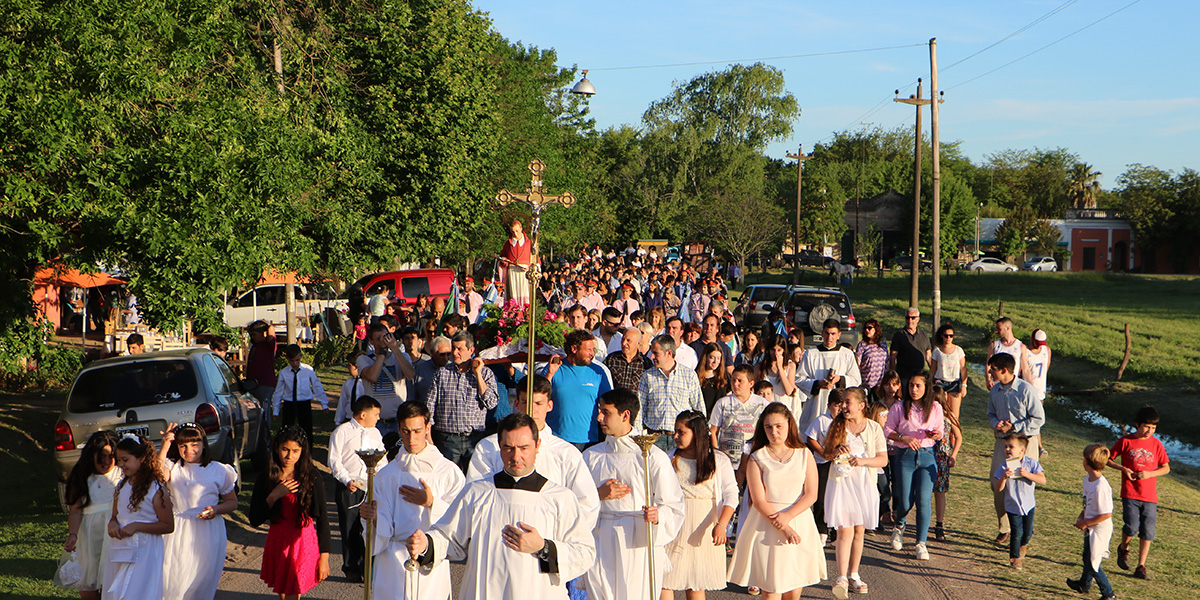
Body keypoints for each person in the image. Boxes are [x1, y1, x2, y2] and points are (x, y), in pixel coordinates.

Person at [406, 413, 598, 599]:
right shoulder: (476, 493)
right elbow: (450, 538)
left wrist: (543, 547)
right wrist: (426, 544)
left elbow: (584, 552)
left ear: (537, 445)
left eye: (524, 448)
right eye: (508, 448)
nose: (516, 456)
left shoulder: (559, 498)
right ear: (499, 447)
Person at [583, 389, 685, 600]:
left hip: (637, 540)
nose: (599, 417)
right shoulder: (591, 456)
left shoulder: (652, 457)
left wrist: (658, 516)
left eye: (605, 412)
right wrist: (597, 494)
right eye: (599, 411)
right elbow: (573, 501)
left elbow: (673, 503)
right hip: (600, 537)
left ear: (625, 415)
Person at [359, 401, 465, 600]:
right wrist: (372, 517)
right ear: (399, 429)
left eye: (417, 431)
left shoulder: (448, 472)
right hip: (393, 560)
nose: (411, 438)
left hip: (430, 562)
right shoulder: (385, 476)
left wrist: (432, 502)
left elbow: (461, 519)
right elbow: (378, 527)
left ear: (427, 427)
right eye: (406, 431)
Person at [727, 402, 826, 599]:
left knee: (793, 590)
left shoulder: (804, 454)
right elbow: (758, 499)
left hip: (799, 520)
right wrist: (784, 526)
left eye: (779, 426)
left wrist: (788, 517)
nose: (774, 431)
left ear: (789, 425)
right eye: (768, 427)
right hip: (767, 524)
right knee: (771, 589)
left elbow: (811, 494)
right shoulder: (757, 457)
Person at [662, 410, 738, 599]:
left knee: (696, 583)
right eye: (675, 431)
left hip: (704, 524)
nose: (676, 436)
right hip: (674, 522)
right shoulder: (668, 458)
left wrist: (722, 525)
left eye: (681, 432)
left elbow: (731, 494)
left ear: (696, 433)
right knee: (663, 580)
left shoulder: (718, 460)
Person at [156, 423, 237, 600]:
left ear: (203, 444)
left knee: (202, 579)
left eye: (194, 444)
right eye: (183, 445)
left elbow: (232, 502)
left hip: (208, 531)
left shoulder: (218, 470)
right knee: (175, 578)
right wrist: (165, 446)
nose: (189, 450)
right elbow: (156, 475)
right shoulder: (173, 468)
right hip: (177, 531)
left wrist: (217, 509)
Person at [249, 427, 332, 598]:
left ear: (303, 451)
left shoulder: (312, 477)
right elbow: (255, 518)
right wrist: (273, 496)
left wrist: (324, 557)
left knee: (294, 589)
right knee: (283, 591)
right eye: (285, 450)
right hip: (277, 541)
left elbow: (323, 518)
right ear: (277, 448)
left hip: (302, 541)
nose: (289, 456)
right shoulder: (266, 478)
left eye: (295, 451)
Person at [821, 388, 888, 598]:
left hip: (864, 484)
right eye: (842, 403)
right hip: (842, 483)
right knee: (845, 530)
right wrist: (836, 452)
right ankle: (841, 576)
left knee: (859, 530)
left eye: (848, 402)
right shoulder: (837, 425)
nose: (844, 407)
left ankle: (854, 574)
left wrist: (863, 461)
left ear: (861, 405)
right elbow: (826, 453)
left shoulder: (874, 428)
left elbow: (883, 459)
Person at [104, 433, 174, 600]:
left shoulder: (156, 490)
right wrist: (112, 523)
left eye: (125, 460)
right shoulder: (121, 487)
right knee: (118, 592)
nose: (121, 464)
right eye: (119, 460)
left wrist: (137, 526)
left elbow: (168, 525)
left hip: (145, 550)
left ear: (141, 458)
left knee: (136, 592)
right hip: (121, 547)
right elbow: (115, 515)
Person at [986, 352, 1044, 546]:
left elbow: (1038, 419)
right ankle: (1005, 528)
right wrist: (996, 424)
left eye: (993, 369)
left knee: (1023, 485)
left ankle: (1023, 533)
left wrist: (1015, 427)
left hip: (1026, 443)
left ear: (1004, 370)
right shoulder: (994, 391)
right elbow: (990, 414)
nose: (989, 372)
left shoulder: (1026, 390)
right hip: (1003, 443)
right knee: (998, 484)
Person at [883, 372, 943, 560]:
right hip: (905, 456)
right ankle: (899, 525)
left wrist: (934, 434)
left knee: (924, 500)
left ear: (926, 388)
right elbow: (887, 430)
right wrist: (903, 437)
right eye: (911, 385)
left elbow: (940, 431)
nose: (914, 389)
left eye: (918, 386)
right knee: (906, 500)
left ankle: (921, 543)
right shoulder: (899, 407)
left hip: (927, 455)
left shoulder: (935, 407)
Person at [327, 396, 386, 583]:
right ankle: (351, 567)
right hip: (349, 488)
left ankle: (367, 567)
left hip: (370, 487)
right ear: (363, 414)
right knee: (350, 527)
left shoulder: (375, 433)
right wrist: (346, 480)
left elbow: (382, 457)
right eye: (375, 414)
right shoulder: (342, 432)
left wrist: (380, 472)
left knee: (368, 528)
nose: (378, 418)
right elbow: (334, 460)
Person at [1108, 405, 1170, 579]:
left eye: (1153, 428)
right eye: (1146, 427)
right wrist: (1123, 468)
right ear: (1137, 424)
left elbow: (1166, 468)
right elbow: (1108, 459)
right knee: (1131, 527)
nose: (1149, 431)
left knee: (1148, 532)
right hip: (1130, 493)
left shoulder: (1156, 444)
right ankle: (1123, 548)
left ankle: (1141, 566)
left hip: (1150, 496)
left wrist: (1150, 473)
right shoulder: (1126, 441)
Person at [426, 331, 499, 471]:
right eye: (453, 348)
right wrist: (429, 438)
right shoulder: (442, 373)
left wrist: (477, 374)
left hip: (474, 439)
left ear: (471, 350)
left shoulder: (485, 373)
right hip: (447, 440)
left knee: (475, 480)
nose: (455, 352)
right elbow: (429, 407)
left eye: (459, 349)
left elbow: (491, 403)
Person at [61, 431, 121, 600]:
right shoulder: (82, 476)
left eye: (111, 456)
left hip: (115, 533)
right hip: (89, 536)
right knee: (88, 580)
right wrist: (73, 534)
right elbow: (75, 510)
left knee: (113, 579)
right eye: (102, 456)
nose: (106, 462)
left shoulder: (121, 475)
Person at [544, 329, 614, 450]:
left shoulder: (598, 372)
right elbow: (539, 395)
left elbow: (609, 402)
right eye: (588, 350)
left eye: (593, 350)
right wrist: (550, 374)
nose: (592, 354)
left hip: (589, 440)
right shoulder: (554, 368)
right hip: (557, 439)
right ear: (574, 349)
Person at [1066, 444, 1117, 600]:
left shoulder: (1101, 487)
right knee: (1087, 556)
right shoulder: (1088, 480)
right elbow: (1087, 503)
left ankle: (1108, 594)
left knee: (1094, 562)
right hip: (1090, 525)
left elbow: (1106, 513)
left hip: (1100, 528)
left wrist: (1087, 523)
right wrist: (1082, 516)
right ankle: (1084, 584)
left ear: (1087, 461)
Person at [638, 335, 704, 452]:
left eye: (656, 353)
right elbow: (640, 408)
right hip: (654, 438)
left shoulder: (689, 375)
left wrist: (701, 436)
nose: (652, 357)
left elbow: (698, 407)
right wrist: (640, 436)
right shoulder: (647, 376)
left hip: (681, 438)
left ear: (669, 353)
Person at [796, 319, 863, 433]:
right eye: (827, 333)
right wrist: (816, 384)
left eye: (833, 334)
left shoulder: (846, 354)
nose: (829, 337)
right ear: (822, 333)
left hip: (839, 404)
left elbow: (856, 380)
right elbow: (799, 379)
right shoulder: (811, 353)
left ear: (839, 335)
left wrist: (840, 379)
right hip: (816, 403)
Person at [991, 434, 1046, 569]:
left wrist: (1027, 474)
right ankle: (1015, 559)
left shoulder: (1031, 463)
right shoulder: (1004, 466)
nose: (1008, 450)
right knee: (1016, 533)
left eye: (1011, 447)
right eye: (1006, 447)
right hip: (1012, 505)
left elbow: (1042, 480)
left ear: (1022, 450)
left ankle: (1023, 545)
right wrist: (1004, 477)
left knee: (1028, 532)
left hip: (1029, 505)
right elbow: (998, 488)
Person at [803, 390, 846, 546]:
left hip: (841, 465)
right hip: (822, 463)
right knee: (821, 497)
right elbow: (811, 438)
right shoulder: (822, 420)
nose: (840, 409)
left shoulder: (847, 422)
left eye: (843, 405)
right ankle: (821, 529)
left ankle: (836, 531)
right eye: (836, 405)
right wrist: (823, 452)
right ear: (829, 406)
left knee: (837, 497)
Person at [359, 323, 417, 437]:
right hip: (375, 422)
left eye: (385, 337)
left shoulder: (402, 356)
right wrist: (382, 353)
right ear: (371, 341)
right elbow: (372, 377)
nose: (383, 341)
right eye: (378, 339)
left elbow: (411, 375)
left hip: (398, 420)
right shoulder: (364, 359)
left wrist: (395, 349)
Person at [708, 365, 770, 473]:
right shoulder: (723, 403)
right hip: (728, 462)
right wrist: (716, 454)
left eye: (740, 381)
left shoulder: (762, 404)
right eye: (733, 380)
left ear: (751, 383)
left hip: (755, 460)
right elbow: (713, 431)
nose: (735, 384)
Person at [271, 344, 329, 444]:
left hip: (304, 403)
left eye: (297, 360)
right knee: (287, 430)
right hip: (289, 403)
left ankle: (307, 454)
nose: (294, 363)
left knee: (306, 430)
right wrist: (276, 410)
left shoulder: (308, 370)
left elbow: (317, 386)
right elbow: (278, 392)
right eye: (292, 361)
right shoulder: (283, 373)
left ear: (301, 356)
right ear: (287, 359)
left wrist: (324, 404)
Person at [930, 387, 963, 542]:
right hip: (928, 454)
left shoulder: (948, 416)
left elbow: (959, 436)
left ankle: (939, 523)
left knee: (940, 491)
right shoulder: (925, 415)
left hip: (942, 457)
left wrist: (953, 455)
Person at [245, 320, 278, 428]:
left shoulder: (268, 345)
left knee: (264, 410)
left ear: (263, 333)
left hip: (265, 384)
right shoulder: (255, 346)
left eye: (254, 334)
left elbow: (271, 333)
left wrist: (268, 327)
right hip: (253, 384)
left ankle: (266, 433)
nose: (252, 337)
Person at [929, 324, 967, 418]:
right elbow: (933, 369)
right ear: (942, 336)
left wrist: (964, 385)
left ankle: (954, 433)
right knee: (940, 413)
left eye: (951, 336)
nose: (949, 338)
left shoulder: (959, 350)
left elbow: (963, 368)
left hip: (954, 382)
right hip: (940, 382)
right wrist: (929, 383)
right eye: (946, 336)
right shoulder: (937, 351)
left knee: (954, 415)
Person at [888, 307, 931, 382]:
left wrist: (934, 373)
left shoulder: (924, 335)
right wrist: (893, 376)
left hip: (920, 377)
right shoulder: (899, 335)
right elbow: (893, 357)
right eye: (907, 318)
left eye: (913, 318)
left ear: (918, 319)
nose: (910, 321)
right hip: (904, 377)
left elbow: (928, 357)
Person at [986, 317, 1031, 388]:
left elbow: (1025, 369)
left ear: (1008, 328)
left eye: (999, 329)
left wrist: (1030, 387)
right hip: (997, 385)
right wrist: (988, 379)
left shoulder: (1021, 346)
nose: (996, 331)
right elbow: (988, 365)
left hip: (1013, 385)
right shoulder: (994, 345)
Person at [605, 326, 652, 391]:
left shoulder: (646, 363)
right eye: (623, 339)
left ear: (638, 343)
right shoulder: (612, 359)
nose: (624, 343)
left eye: (628, 340)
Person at [500, 219, 532, 304]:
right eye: (513, 232)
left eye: (517, 231)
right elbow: (503, 256)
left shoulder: (529, 243)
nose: (515, 234)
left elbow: (536, 260)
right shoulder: (508, 244)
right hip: (512, 273)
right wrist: (504, 260)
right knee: (513, 296)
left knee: (525, 297)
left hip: (525, 274)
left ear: (521, 229)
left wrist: (530, 268)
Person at [413, 336, 452, 404]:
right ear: (432, 352)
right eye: (442, 354)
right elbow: (413, 395)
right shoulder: (421, 370)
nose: (446, 358)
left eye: (448, 354)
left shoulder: (453, 370)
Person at [334, 352, 367, 426]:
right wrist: (338, 421)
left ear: (356, 367)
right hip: (349, 418)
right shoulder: (348, 383)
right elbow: (342, 402)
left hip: (363, 419)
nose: (348, 368)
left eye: (349, 366)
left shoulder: (367, 383)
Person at [696, 342, 729, 416]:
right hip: (702, 418)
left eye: (718, 358)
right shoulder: (695, 376)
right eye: (712, 358)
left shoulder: (725, 376)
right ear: (706, 357)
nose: (715, 362)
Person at [854, 319, 888, 390]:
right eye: (865, 328)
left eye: (869, 328)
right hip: (866, 383)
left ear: (876, 329)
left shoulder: (883, 344)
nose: (867, 330)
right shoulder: (862, 345)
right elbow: (857, 364)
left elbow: (887, 362)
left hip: (880, 383)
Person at [1027, 329, 1052, 402]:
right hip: (1027, 393)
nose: (1039, 346)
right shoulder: (1025, 352)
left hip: (1040, 393)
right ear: (1032, 339)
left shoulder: (1047, 350)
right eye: (1037, 343)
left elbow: (1046, 368)